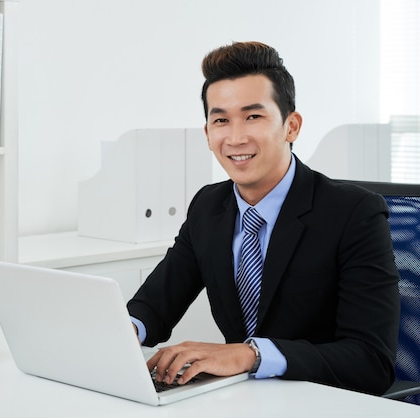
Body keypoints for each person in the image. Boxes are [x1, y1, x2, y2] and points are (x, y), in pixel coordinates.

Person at [127, 41, 400, 395]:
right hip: (245, 400)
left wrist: (250, 355)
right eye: (221, 120)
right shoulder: (208, 206)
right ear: (208, 134)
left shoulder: (354, 213)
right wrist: (125, 332)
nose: (236, 137)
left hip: (324, 401)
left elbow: (371, 361)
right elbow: (155, 304)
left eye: (253, 116)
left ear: (292, 126)